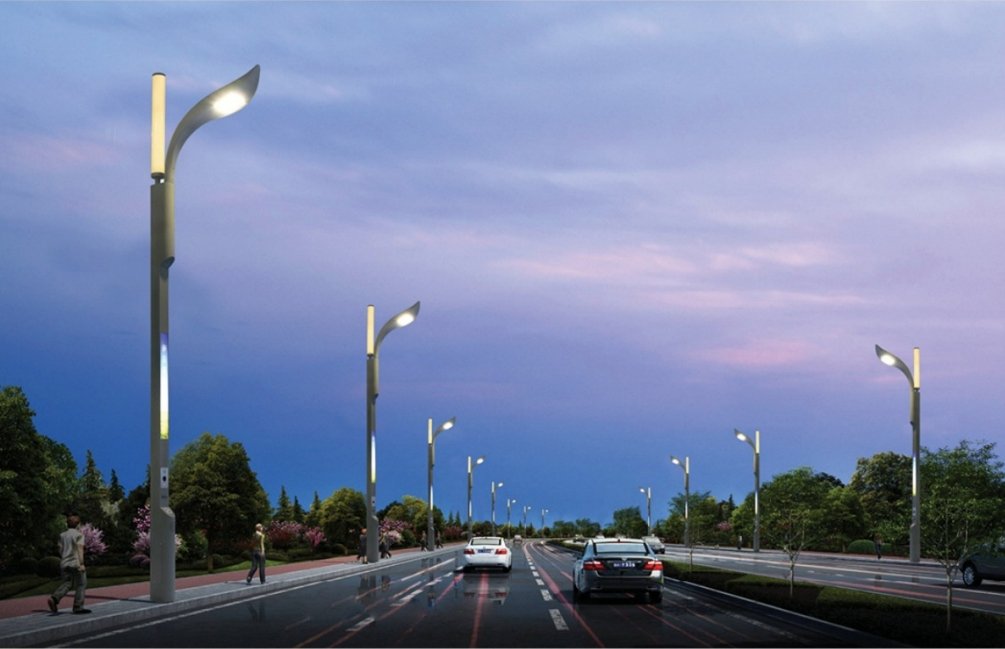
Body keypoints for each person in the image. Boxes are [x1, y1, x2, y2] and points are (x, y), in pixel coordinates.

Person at [48, 514, 90, 614]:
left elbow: (60, 549)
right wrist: (82, 563)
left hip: (64, 563)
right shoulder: (79, 535)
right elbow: (80, 549)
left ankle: (55, 598)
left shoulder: (62, 535)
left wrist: (64, 556)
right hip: (75, 563)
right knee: (81, 584)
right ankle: (78, 607)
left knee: (67, 583)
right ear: (78, 524)